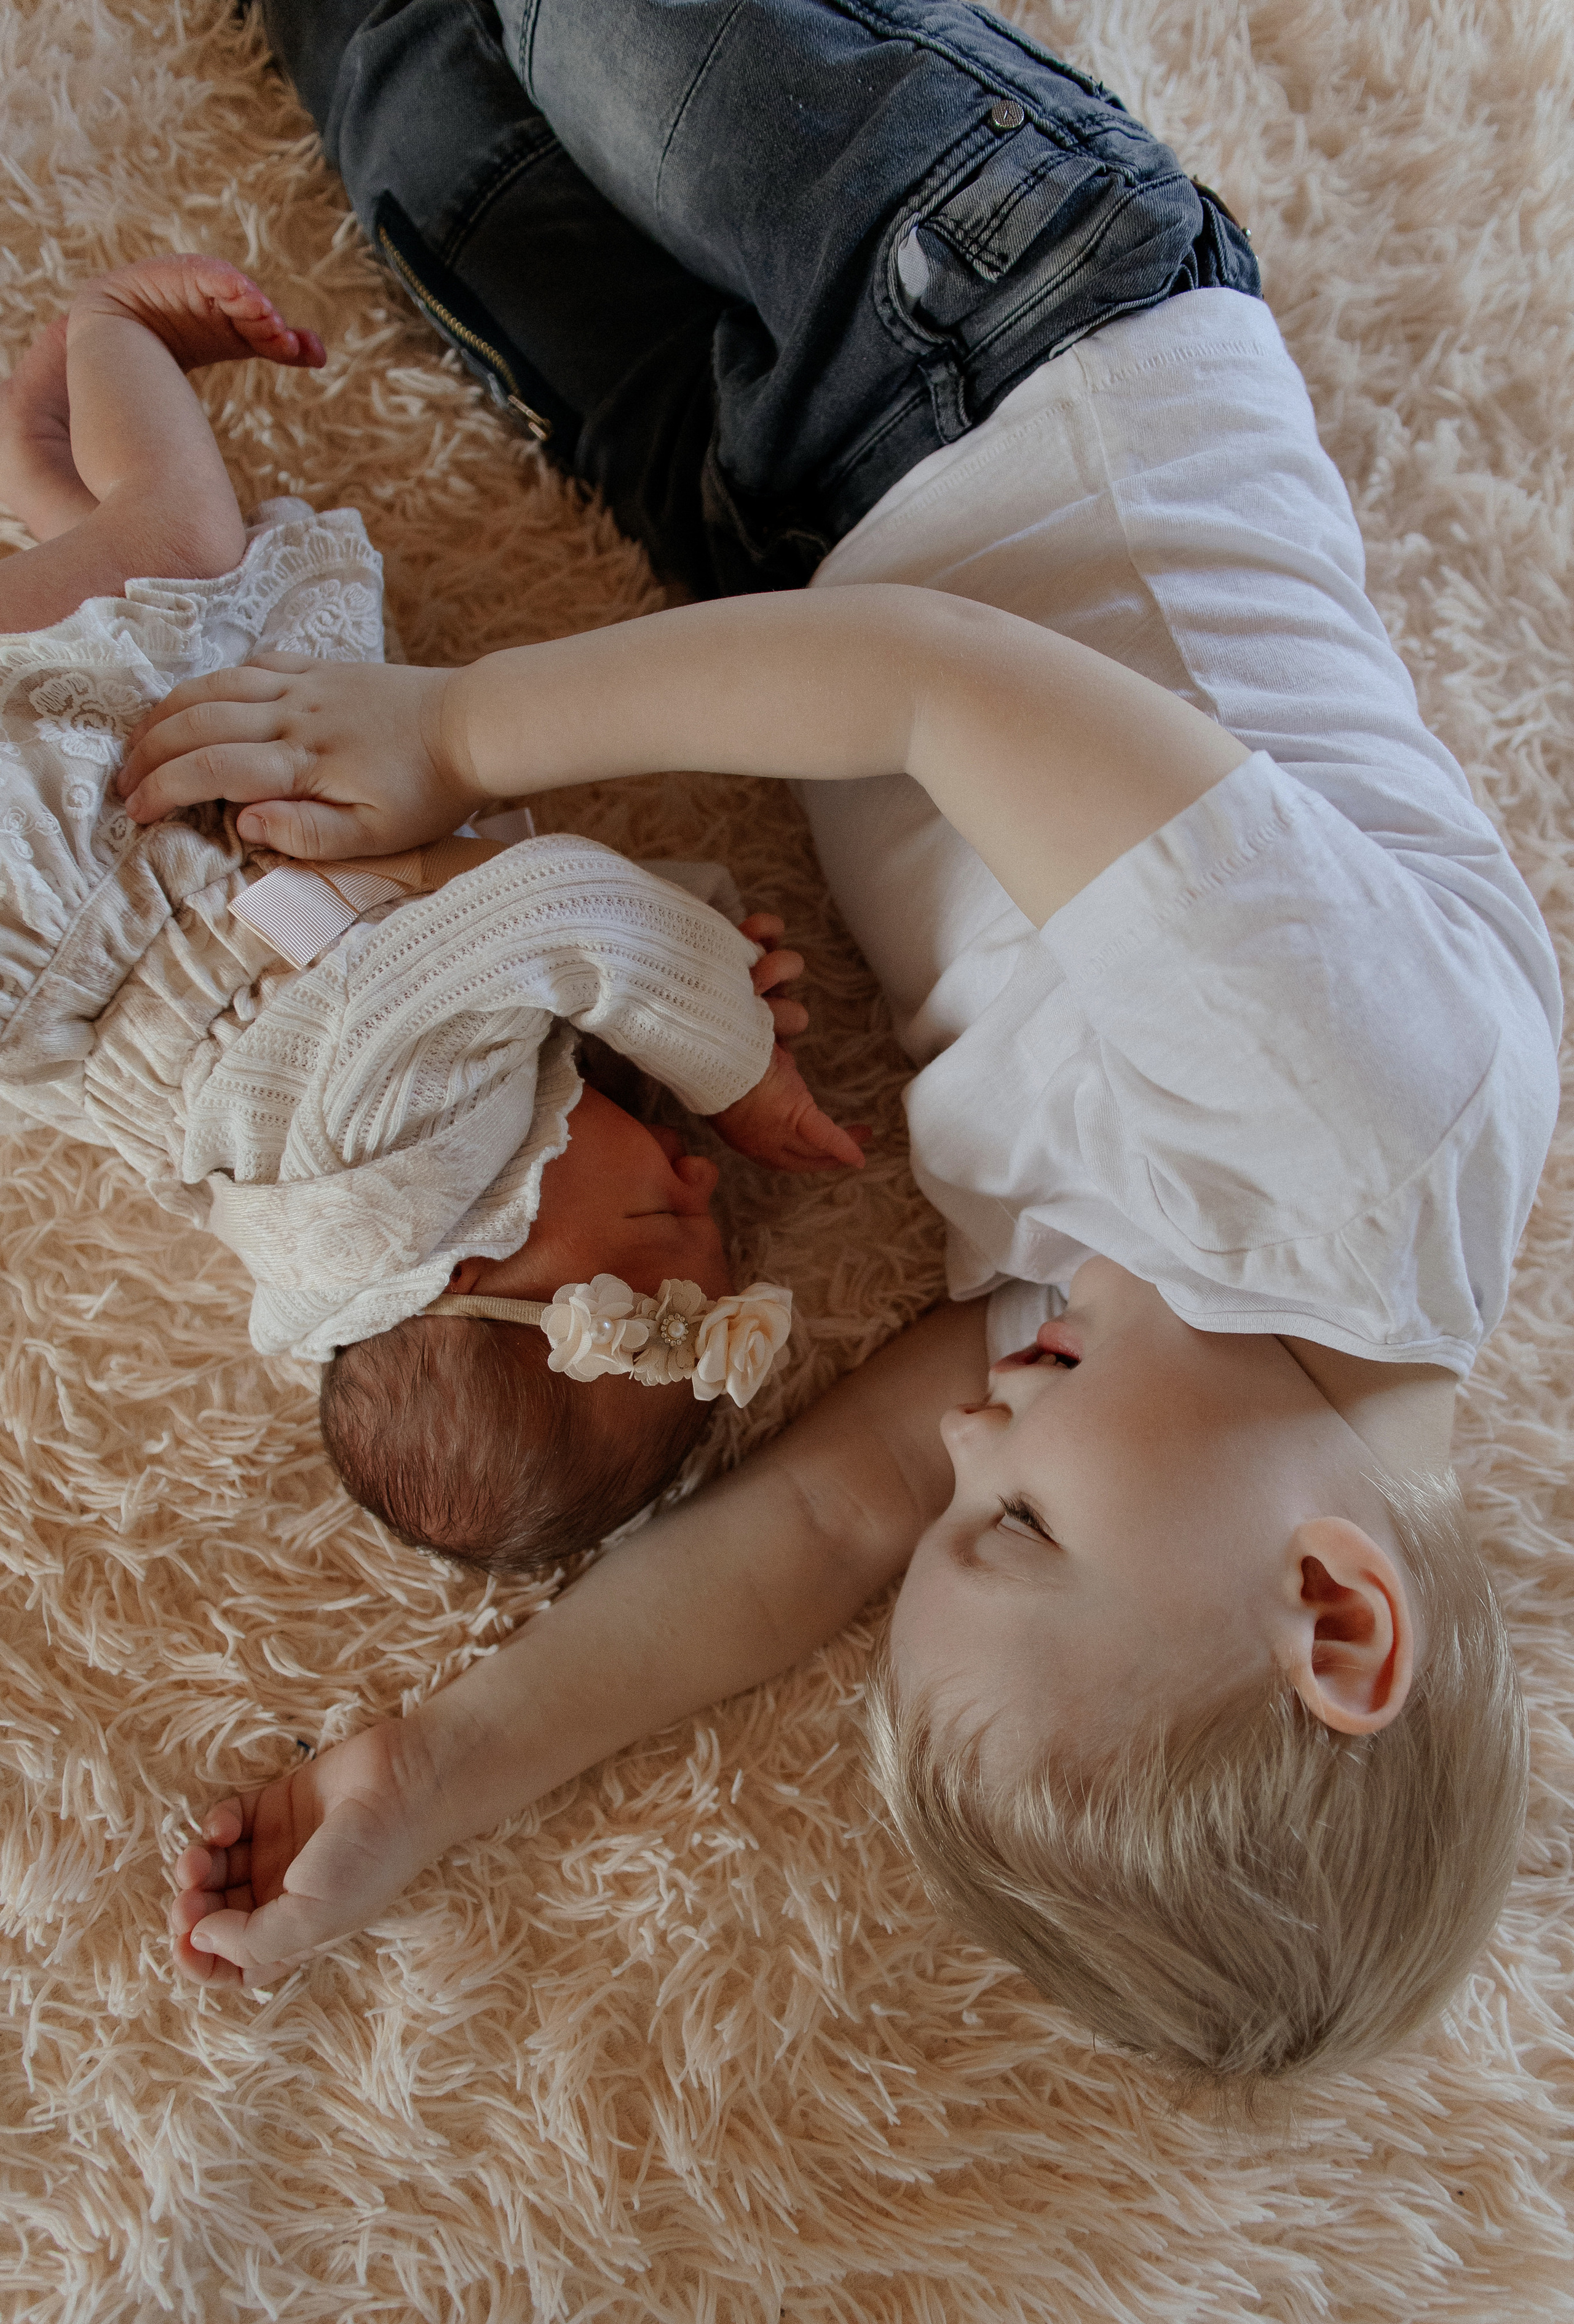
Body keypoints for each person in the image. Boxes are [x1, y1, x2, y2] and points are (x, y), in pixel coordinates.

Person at [126, 0, 1560, 2082]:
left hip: (777, 546)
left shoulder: (1134, 1363)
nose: (958, 1450)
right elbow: (930, 687)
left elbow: (804, 1533)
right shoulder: (1365, 1128)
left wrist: (434, 1774)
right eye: (1018, 1525)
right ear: (1332, 1610)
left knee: (416, 128)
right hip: (995, 322)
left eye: (959, 1516)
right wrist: (459, 730)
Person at [0, 256, 868, 1580]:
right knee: (134, 603)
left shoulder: (381, 1155)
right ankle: (47, 493)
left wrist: (727, 1048)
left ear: (460, 1267)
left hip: (71, 838)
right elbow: (516, 916)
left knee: (181, 549)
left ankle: (109, 331)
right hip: (175, 820)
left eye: (657, 1227)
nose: (703, 1175)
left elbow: (547, 909)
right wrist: (709, 942)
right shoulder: (421, 1159)